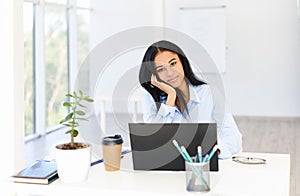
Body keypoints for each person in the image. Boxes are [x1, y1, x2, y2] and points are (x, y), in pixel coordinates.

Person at [138, 40, 242, 159]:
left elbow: (234, 139)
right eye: (161, 69)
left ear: (182, 62)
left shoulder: (210, 93)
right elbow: (154, 142)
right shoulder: (150, 99)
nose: (170, 73)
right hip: (166, 170)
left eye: (173, 64)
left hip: (203, 165)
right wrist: (170, 100)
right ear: (154, 75)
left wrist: (215, 151)